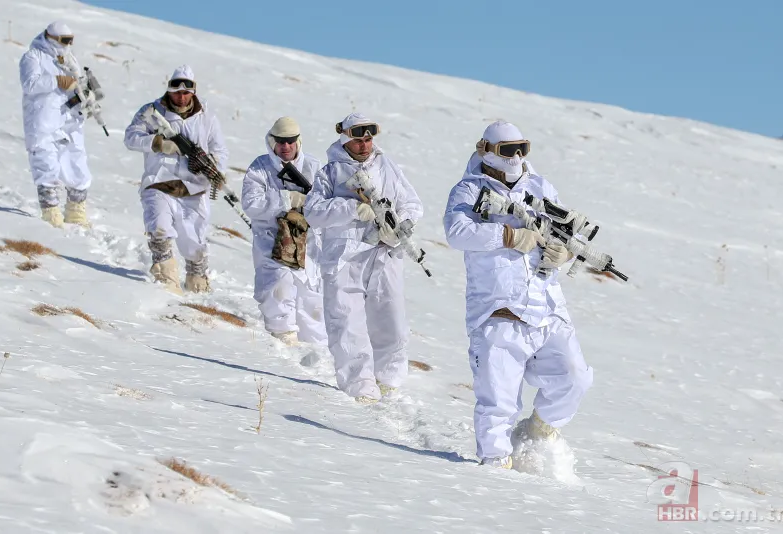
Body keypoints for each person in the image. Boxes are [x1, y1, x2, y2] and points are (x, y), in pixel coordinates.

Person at [442, 120, 593, 469]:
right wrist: (506, 236)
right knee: (498, 402)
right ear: (487, 151)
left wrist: (566, 253)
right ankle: (496, 468)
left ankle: (539, 430)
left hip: (547, 308)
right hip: (499, 310)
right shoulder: (467, 189)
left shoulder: (541, 187)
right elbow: (457, 232)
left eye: (523, 149)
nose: (517, 158)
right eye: (508, 151)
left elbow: (570, 232)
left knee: (576, 377)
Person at [305, 113, 423, 404]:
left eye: (368, 138)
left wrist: (400, 224)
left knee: (392, 319)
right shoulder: (329, 173)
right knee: (347, 320)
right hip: (345, 258)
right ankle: (359, 385)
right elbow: (314, 212)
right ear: (345, 138)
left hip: (385, 253)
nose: (364, 144)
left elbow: (412, 203)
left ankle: (388, 380)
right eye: (358, 139)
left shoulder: (387, 166)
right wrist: (351, 209)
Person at [123, 65, 228, 294]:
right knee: (159, 227)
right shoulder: (151, 111)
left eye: (186, 92)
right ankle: (165, 279)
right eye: (177, 91)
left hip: (194, 188)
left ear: (193, 92)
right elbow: (130, 137)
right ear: (169, 89)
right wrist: (157, 143)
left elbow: (220, 150)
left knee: (194, 242)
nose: (181, 96)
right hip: (159, 182)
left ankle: (196, 277)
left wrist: (214, 169)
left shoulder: (207, 119)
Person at [241, 117, 326, 346]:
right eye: (281, 141)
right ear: (272, 142)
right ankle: (282, 344)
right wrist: (286, 198)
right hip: (272, 243)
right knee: (279, 287)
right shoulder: (260, 168)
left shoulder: (314, 167)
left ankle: (316, 352)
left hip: (308, 244)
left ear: (298, 142)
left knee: (312, 300)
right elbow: (250, 204)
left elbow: (327, 204)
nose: (286, 147)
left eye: (290, 141)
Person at [19, 21, 93, 228]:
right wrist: (57, 81)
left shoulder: (69, 59)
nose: (68, 45)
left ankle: (76, 213)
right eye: (64, 41)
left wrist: (87, 95)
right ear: (50, 38)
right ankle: (51, 214)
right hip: (43, 120)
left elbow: (79, 82)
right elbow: (30, 84)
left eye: (71, 41)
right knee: (46, 162)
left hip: (70, 119)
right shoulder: (33, 57)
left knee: (76, 163)